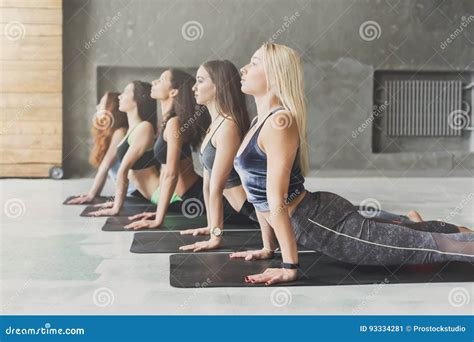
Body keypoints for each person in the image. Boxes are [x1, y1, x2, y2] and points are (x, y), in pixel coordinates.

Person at [229, 43, 473, 286]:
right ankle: (455, 230)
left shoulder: (279, 122)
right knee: (412, 235)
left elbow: (276, 200)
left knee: (432, 248)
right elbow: (258, 196)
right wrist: (267, 247)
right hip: (318, 214)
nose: (244, 68)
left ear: (276, 74)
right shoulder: (259, 121)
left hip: (323, 223)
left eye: (254, 62)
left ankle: (455, 236)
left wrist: (289, 267)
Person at [125, 69, 211, 229]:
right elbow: (165, 172)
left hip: (194, 196)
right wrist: (159, 211)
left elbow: (171, 174)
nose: (154, 82)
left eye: (162, 79)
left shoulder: (174, 123)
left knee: (251, 215)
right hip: (182, 198)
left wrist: (159, 219)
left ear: (173, 92)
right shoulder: (167, 122)